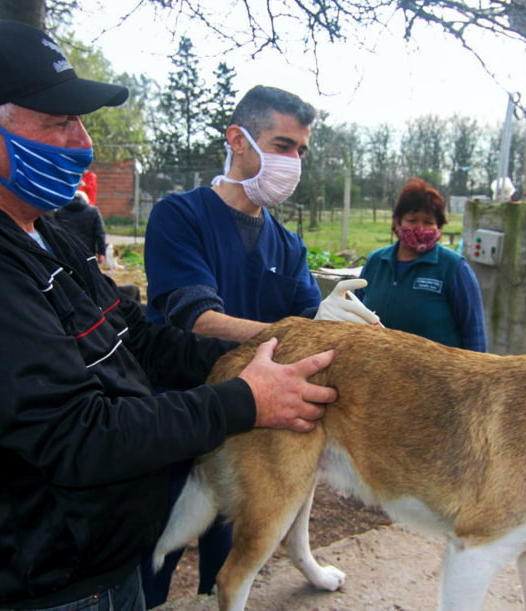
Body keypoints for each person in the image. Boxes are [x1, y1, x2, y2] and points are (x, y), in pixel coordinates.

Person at [0, 20, 342, 611]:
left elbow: (137, 338)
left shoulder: (43, 233)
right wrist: (244, 400)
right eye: (59, 122)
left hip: (103, 565)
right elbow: (76, 435)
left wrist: (270, 359)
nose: (83, 142)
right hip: (46, 590)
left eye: (80, 121)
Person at [141, 85, 379, 607]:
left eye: (299, 150)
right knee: (154, 549)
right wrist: (301, 332)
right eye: (281, 144)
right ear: (238, 139)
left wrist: (335, 327)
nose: (292, 160)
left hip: (249, 419)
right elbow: (196, 318)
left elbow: (303, 329)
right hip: (173, 411)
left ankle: (213, 596)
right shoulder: (179, 217)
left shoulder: (288, 244)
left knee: (231, 541)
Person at [357, 177, 488, 352]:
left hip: (436, 376)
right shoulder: (376, 261)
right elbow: (353, 314)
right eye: (412, 220)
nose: (420, 228)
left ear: (439, 226)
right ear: (397, 222)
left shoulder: (453, 267)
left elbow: (474, 332)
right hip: (376, 371)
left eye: (428, 222)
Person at [56, 190, 107, 265]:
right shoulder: (93, 212)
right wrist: (101, 252)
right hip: (87, 251)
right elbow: (100, 233)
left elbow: (56, 233)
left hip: (66, 252)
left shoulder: (60, 213)